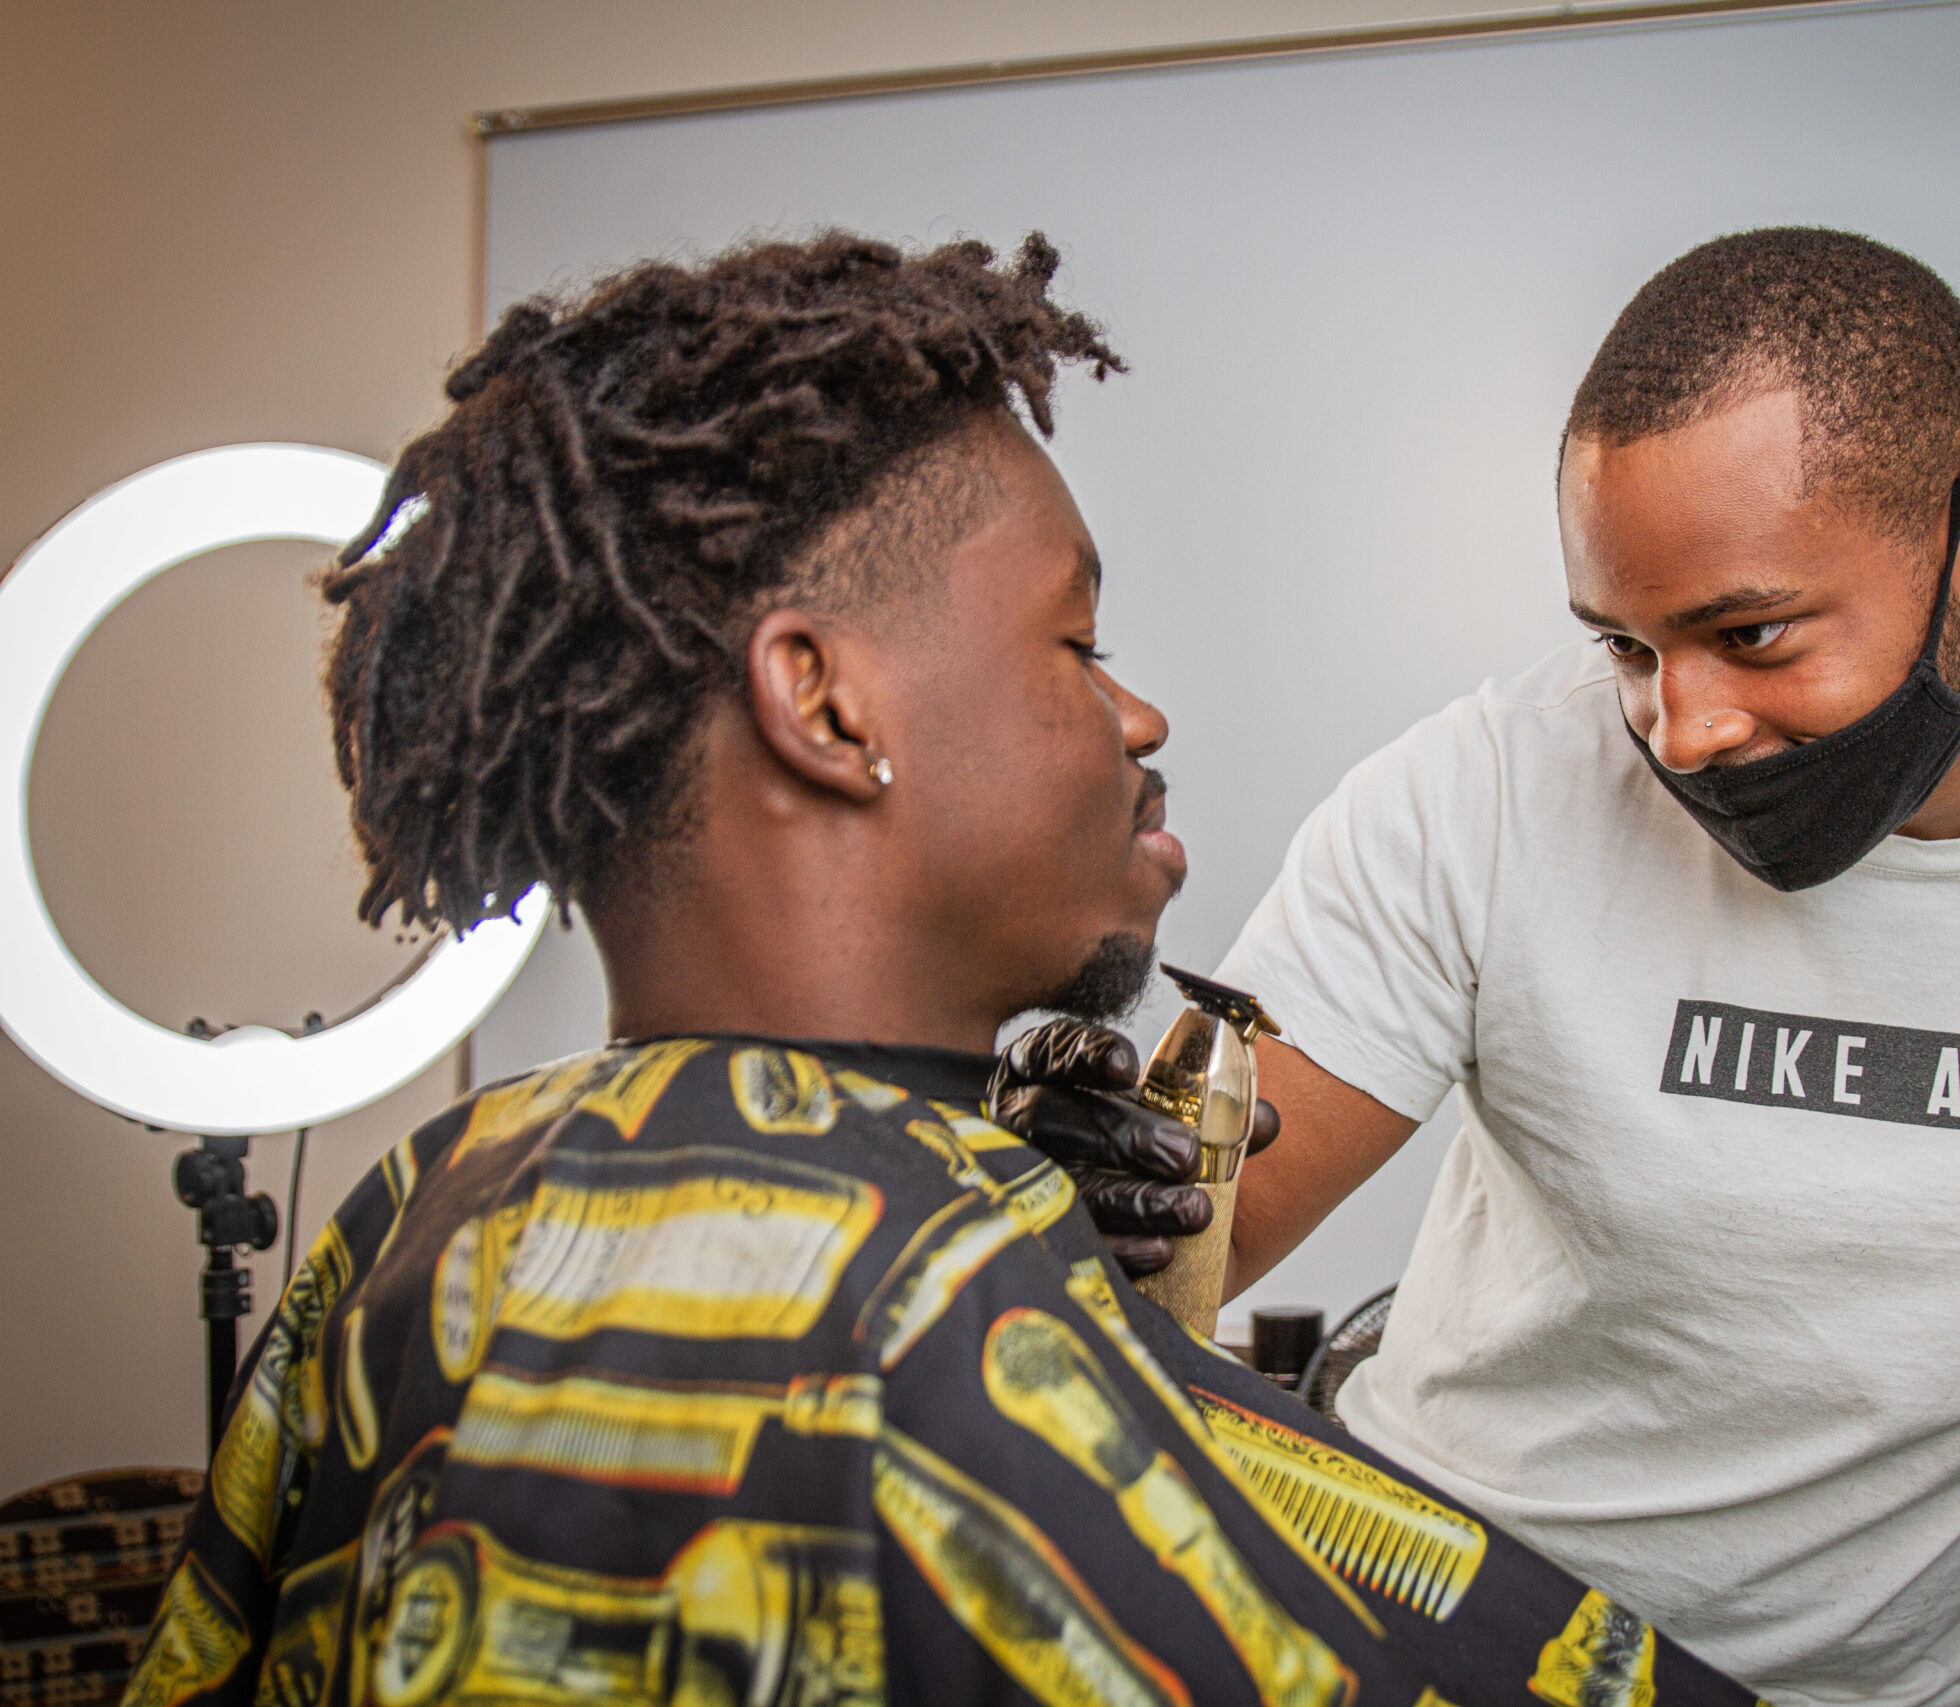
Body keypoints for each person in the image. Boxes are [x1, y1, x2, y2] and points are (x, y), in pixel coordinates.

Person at [120, 233, 1765, 1707]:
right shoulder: (926, 1308)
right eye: (1078, 644)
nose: (1139, 718)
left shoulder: (419, 1195)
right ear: (827, 706)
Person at [998, 229, 1960, 1707]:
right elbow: (1194, 1230)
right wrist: (1048, 1170)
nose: (1680, 730)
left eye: (1751, 633)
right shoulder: (1484, 795)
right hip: (1455, 1647)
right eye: (1627, 649)